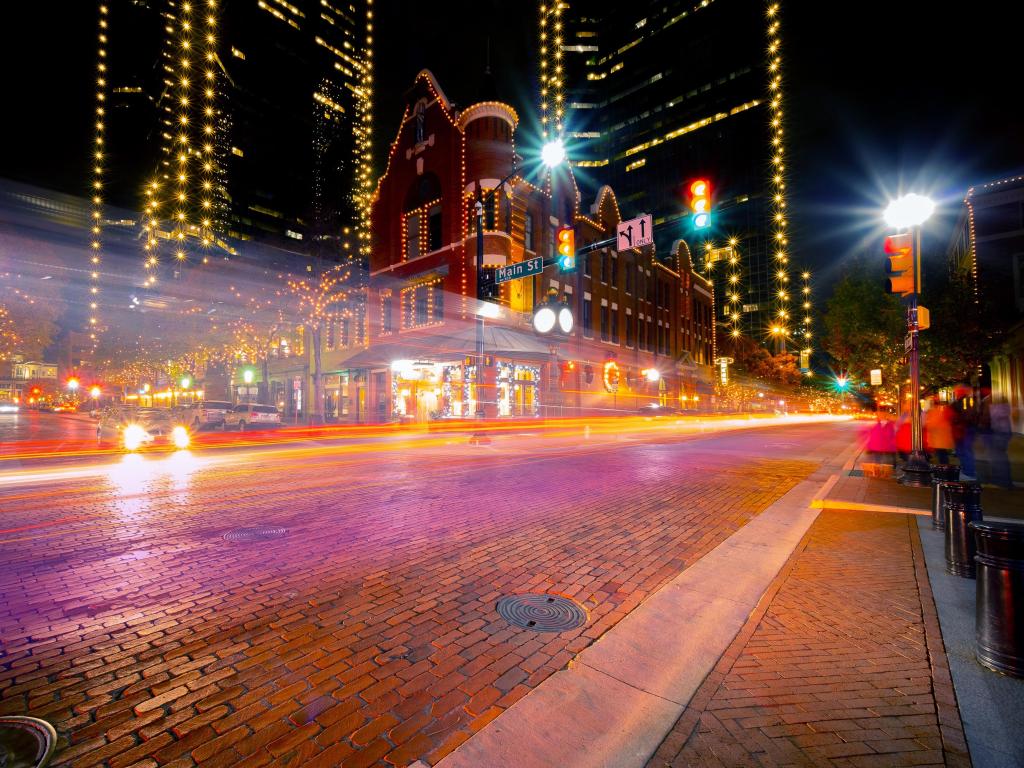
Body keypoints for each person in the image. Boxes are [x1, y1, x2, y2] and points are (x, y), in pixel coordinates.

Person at [952, 397, 977, 480]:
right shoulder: (970, 401)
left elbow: (960, 416)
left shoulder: (961, 403)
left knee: (965, 451)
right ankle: (968, 470)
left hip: (963, 428)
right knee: (964, 450)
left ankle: (969, 472)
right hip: (966, 428)